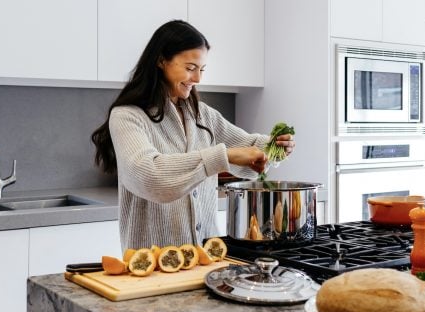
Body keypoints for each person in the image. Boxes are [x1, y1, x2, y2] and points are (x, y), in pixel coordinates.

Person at [91, 20, 295, 251]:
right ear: (160, 61)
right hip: (153, 263)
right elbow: (150, 177)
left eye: (202, 69)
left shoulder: (202, 114)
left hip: (209, 257)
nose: (198, 79)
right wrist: (223, 156)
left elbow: (247, 149)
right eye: (190, 68)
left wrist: (274, 147)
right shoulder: (128, 116)